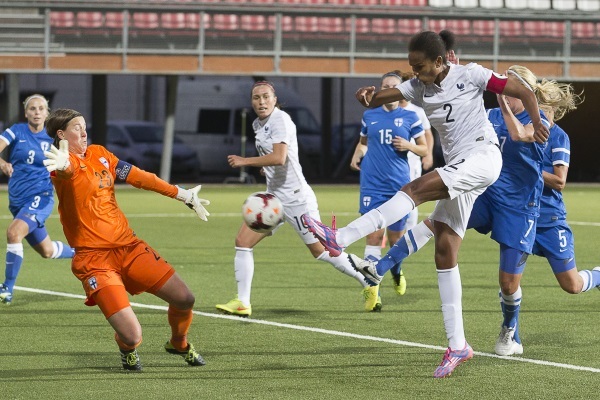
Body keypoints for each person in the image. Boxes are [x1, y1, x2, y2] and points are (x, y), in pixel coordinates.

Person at [301, 30, 549, 378]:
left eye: (419, 66)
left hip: (482, 157)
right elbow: (381, 97)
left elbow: (521, 89)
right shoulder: (417, 87)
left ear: (440, 60)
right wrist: (367, 95)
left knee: (416, 187)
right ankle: (458, 345)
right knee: (445, 251)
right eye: (411, 67)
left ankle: (339, 238)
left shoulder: (471, 74)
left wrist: (537, 123)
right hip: (459, 165)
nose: (415, 72)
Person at [42, 108, 211, 371]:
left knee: (185, 298)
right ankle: (127, 349)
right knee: (133, 335)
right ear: (61, 134)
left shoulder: (101, 154)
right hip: (94, 261)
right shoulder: (64, 165)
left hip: (129, 247)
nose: (84, 131)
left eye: (84, 126)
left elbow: (140, 177)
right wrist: (63, 163)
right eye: (77, 128)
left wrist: (182, 194)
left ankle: (178, 343)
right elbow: (66, 169)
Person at [216, 81, 376, 316]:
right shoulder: (257, 123)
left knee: (323, 251)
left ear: (274, 99)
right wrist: (265, 169)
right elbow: (276, 159)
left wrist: (245, 161)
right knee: (243, 242)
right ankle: (242, 302)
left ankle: (368, 279)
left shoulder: (280, 120)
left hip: (296, 198)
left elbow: (279, 157)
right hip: (274, 198)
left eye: (265, 97)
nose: (261, 102)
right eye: (256, 98)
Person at [349, 70, 429, 296]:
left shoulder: (411, 117)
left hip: (398, 185)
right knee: (374, 234)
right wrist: (358, 154)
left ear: (401, 90)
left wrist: (409, 146)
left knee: (396, 238)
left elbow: (424, 148)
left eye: (393, 86)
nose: (388, 90)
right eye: (385, 87)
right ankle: (371, 291)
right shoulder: (370, 115)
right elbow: (364, 142)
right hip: (372, 183)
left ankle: (396, 271)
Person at [0, 94, 75, 305]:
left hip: (40, 198)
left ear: (47, 113)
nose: (37, 112)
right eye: (32, 108)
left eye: (41, 108)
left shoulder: (54, 139)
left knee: (14, 233)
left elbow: (68, 165)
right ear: (26, 113)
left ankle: (7, 287)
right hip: (17, 201)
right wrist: (3, 164)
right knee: (47, 251)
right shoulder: (16, 131)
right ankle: (83, 253)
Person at [533, 95, 600, 295]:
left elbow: (559, 181)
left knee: (572, 285)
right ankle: (510, 325)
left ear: (554, 109)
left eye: (545, 108)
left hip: (549, 218)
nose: (541, 113)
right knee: (509, 279)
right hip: (521, 214)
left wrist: (528, 169)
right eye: (537, 107)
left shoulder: (558, 136)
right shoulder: (525, 133)